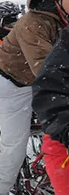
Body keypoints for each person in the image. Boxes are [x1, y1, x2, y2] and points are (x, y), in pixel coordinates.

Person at [0, 0, 69, 194]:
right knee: (14, 146)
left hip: (38, 80)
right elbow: (45, 69)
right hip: (11, 81)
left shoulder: (65, 17)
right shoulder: (35, 24)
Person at [32, 18, 69, 195]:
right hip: (63, 143)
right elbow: (48, 86)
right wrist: (64, 127)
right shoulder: (65, 46)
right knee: (12, 143)